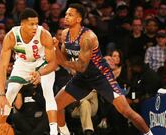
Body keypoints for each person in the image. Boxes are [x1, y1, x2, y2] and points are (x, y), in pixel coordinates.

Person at [54, 3, 153, 135]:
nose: (66, 17)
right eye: (66, 14)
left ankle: (149, 134)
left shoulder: (88, 37)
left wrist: (62, 60)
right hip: (83, 78)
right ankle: (64, 133)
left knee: (126, 111)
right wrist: (55, 48)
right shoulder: (65, 34)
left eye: (70, 15)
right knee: (55, 106)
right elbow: (64, 57)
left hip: (101, 76)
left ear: (79, 19)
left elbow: (80, 66)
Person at [0, 8, 58, 135]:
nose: (35, 27)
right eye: (31, 24)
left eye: (36, 24)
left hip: (41, 63)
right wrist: (1, 94)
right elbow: (2, 66)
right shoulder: (11, 36)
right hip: (22, 64)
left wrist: (40, 73)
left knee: (48, 91)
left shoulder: (44, 34)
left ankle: (54, 132)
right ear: (22, 24)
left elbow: (53, 63)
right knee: (9, 92)